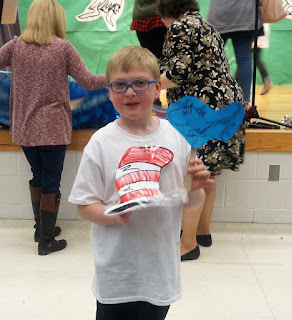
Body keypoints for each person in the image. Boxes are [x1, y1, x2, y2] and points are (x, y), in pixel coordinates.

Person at [68, 45, 214, 320]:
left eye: (140, 83)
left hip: (160, 274)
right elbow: (84, 206)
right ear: (109, 92)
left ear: (157, 87)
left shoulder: (177, 139)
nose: (130, 92)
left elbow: (191, 203)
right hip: (116, 275)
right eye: (120, 85)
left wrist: (196, 191)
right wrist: (114, 215)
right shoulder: (100, 143)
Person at [0, 0, 107, 255]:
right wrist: (115, 76)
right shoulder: (63, 48)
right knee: (51, 183)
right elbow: (89, 82)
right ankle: (46, 241)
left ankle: (41, 229)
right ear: (55, 19)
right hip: (53, 129)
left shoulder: (15, 46)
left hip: (24, 128)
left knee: (38, 177)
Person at [157, 0, 245, 260]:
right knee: (206, 172)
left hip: (200, 108)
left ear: (166, 11)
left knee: (193, 174)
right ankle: (202, 232)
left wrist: (150, 85)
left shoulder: (180, 26)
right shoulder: (206, 24)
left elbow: (177, 73)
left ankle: (188, 244)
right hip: (227, 106)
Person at [207, 0, 263, 108]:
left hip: (219, 14)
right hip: (245, 14)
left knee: (213, 60)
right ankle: (245, 103)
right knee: (244, 59)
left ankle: (212, 99)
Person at [130, 0, 167, 111]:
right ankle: (170, 99)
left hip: (140, 17)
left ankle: (152, 99)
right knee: (164, 59)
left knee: (150, 60)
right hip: (157, 16)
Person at [255, 24, 272, 95]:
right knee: (254, 57)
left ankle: (237, 84)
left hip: (256, 29)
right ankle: (266, 79)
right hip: (260, 29)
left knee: (244, 58)